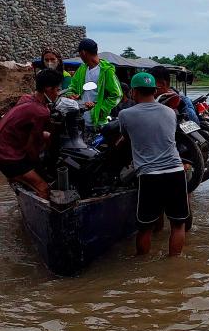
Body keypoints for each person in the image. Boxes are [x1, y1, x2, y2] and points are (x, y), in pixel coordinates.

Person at [104, 71, 188, 257]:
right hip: (175, 171)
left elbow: (125, 138)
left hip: (149, 176)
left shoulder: (126, 114)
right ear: (154, 90)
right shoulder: (169, 112)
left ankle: (142, 267)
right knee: (178, 224)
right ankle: (175, 266)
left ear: (134, 91)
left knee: (144, 227)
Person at [0, 69, 63, 199]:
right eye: (57, 90)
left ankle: (19, 189)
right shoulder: (41, 112)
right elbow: (31, 148)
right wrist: (41, 171)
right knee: (44, 188)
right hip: (5, 154)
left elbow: (30, 131)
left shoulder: (26, 98)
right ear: (48, 89)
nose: (58, 93)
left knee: (20, 176)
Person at [67, 38, 121, 131]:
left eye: (79, 53)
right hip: (82, 121)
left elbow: (117, 95)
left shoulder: (106, 71)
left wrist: (101, 109)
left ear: (83, 53)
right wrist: (71, 94)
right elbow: (72, 87)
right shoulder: (81, 70)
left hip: (99, 124)